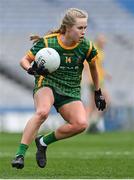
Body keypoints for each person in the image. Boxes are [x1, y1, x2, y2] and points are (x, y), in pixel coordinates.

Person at [11, 8, 106, 169]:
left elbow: (94, 68)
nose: (83, 32)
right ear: (68, 28)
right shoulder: (49, 42)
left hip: (70, 89)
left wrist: (98, 92)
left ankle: (43, 142)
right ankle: (20, 154)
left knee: (81, 124)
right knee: (42, 112)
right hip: (47, 83)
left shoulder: (87, 47)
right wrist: (30, 69)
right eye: (80, 28)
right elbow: (24, 60)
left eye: (85, 28)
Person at [84, 34, 111, 133]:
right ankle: (92, 122)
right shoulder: (94, 50)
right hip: (95, 80)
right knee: (107, 100)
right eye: (103, 41)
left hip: (100, 80)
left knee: (92, 104)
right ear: (98, 41)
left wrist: (106, 74)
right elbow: (87, 64)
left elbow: (99, 67)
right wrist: (88, 77)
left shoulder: (101, 51)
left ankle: (86, 125)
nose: (104, 43)